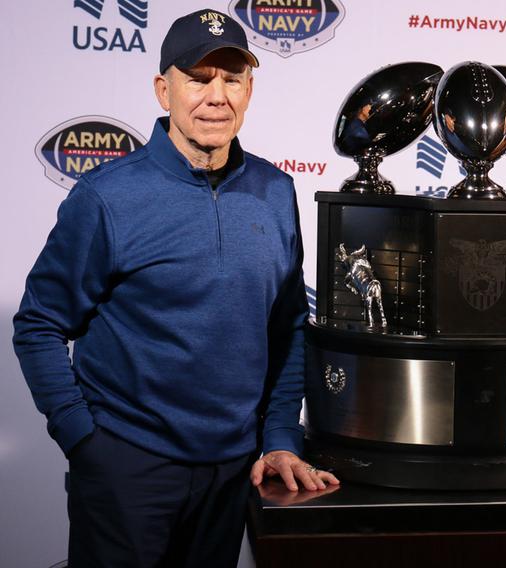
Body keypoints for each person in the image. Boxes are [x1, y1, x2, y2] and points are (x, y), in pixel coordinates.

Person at [12, 8, 337, 567]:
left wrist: (281, 434)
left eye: (232, 78)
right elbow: (38, 325)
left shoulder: (275, 190)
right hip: (127, 470)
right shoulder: (106, 197)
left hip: (234, 472)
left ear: (250, 90)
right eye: (199, 77)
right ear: (165, 91)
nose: (217, 96)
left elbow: (286, 327)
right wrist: (85, 443)